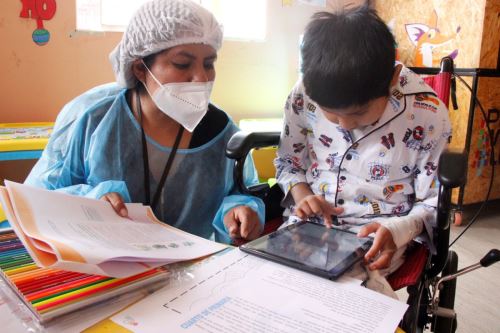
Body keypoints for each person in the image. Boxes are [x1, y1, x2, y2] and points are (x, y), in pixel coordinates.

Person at [25, 0, 264, 244]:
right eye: (182, 64)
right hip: (105, 268)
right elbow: (36, 199)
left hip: (191, 271)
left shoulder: (221, 132)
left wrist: (239, 211)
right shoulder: (93, 118)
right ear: (140, 68)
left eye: (209, 63)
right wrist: (89, 201)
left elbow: (242, 191)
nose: (200, 78)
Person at [274, 6, 452, 282]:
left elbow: (434, 200)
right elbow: (288, 163)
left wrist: (398, 229)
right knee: (273, 279)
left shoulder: (427, 112)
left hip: (383, 233)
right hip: (308, 227)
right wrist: (302, 196)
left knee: (346, 295)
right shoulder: (303, 95)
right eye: (329, 113)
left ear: (392, 80)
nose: (343, 125)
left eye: (357, 113)